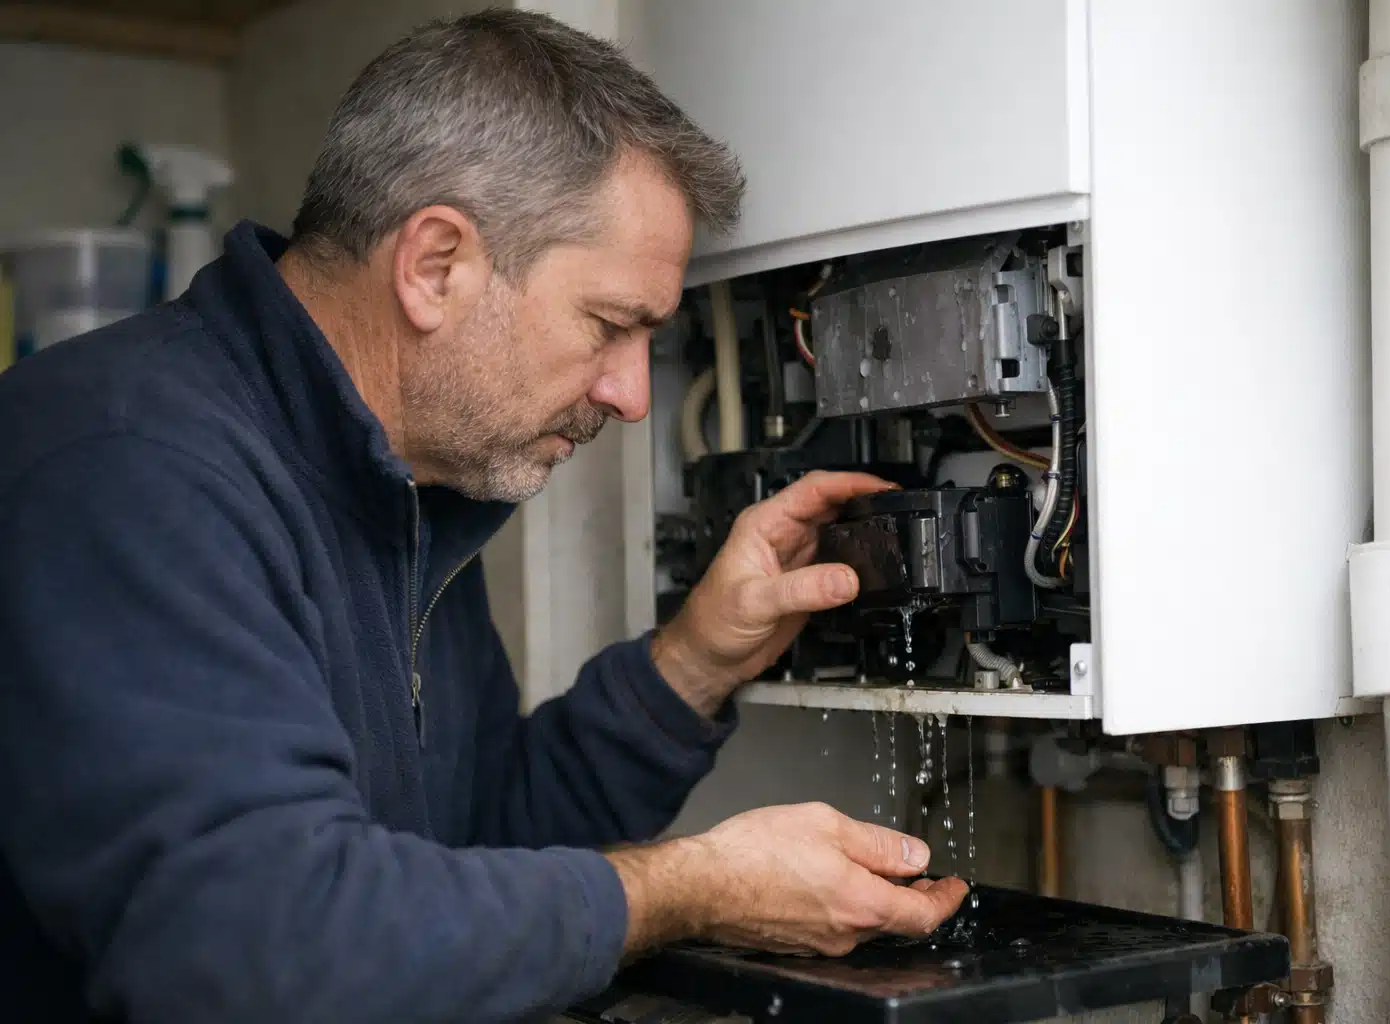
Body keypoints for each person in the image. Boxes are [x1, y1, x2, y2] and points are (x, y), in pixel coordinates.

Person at [0, 9, 969, 1023]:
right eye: (610, 325)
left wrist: (693, 664)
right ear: (435, 266)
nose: (633, 393)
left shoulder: (407, 485)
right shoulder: (126, 466)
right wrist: (696, 886)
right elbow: (255, 944)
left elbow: (469, 854)